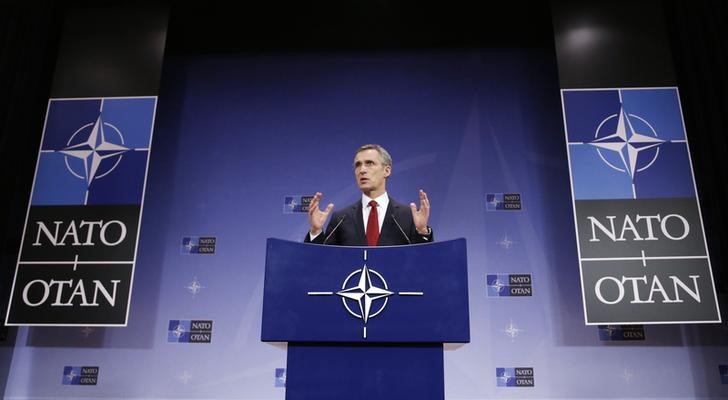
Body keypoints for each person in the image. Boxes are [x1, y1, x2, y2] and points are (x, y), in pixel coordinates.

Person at [305, 144, 433, 246]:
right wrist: (316, 232)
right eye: (358, 165)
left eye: (369, 163)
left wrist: (422, 231)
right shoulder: (341, 218)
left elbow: (424, 264)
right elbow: (322, 263)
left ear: (387, 170)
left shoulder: (407, 216)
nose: (362, 170)